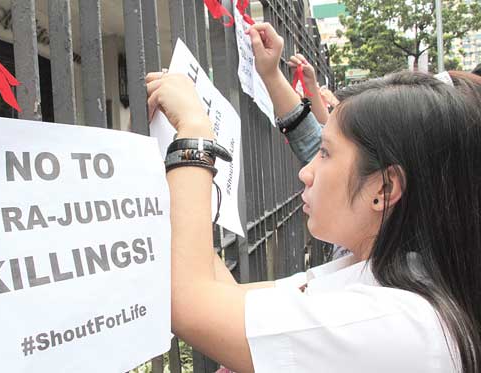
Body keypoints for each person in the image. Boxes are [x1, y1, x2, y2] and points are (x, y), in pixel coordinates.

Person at [146, 22, 481, 373]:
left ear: (383, 189)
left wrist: (195, 135)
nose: (306, 171)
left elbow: (190, 305)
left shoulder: (394, 322)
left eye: (324, 153)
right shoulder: (378, 273)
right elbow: (222, 298)